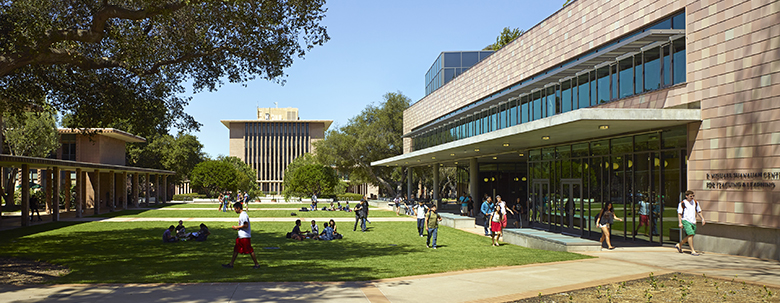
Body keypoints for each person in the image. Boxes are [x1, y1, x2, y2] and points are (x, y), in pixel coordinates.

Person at [223, 202, 261, 269]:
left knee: (249, 250)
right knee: (236, 249)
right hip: (241, 236)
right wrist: (238, 228)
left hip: (245, 236)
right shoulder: (241, 215)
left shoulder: (244, 215)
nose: (235, 211)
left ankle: (257, 264)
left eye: (235, 209)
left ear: (238, 208)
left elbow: (246, 225)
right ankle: (231, 264)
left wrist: (237, 227)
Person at [676, 190, 705, 256]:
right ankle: (692, 251)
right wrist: (680, 223)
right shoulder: (682, 203)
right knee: (691, 234)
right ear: (686, 196)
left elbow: (699, 211)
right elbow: (679, 214)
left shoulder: (695, 202)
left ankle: (679, 245)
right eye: (690, 196)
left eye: (693, 196)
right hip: (686, 220)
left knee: (690, 236)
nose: (692, 197)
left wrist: (702, 218)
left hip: (693, 221)